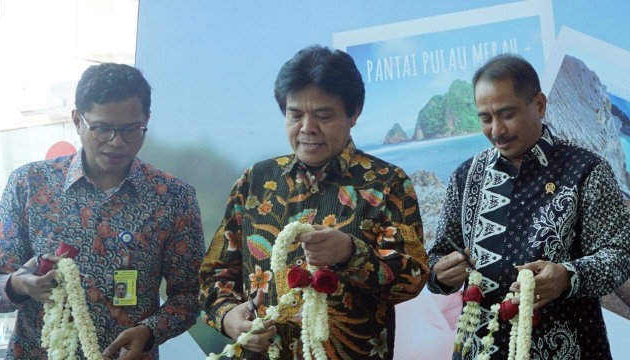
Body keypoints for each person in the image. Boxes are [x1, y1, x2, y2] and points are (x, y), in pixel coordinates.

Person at [199, 45, 429, 359]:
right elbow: (215, 274)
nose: (307, 128)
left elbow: (412, 278)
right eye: (295, 115)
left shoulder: (387, 183)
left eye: (323, 115)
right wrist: (228, 318)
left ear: (354, 113)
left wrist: (351, 253)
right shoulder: (256, 180)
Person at [0, 63, 205, 359]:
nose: (117, 143)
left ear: (147, 120)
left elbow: (191, 295)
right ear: (77, 120)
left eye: (132, 130)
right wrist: (19, 285)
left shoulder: (172, 196)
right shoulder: (30, 184)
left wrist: (150, 331)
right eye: (102, 129)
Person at [427, 53, 630, 359]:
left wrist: (568, 276)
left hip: (568, 348)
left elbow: (620, 254)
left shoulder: (585, 170)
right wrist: (440, 275)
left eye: (507, 114)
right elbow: (438, 257)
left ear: (539, 104)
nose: (497, 130)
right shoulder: (466, 176)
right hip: (479, 350)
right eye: (485, 118)